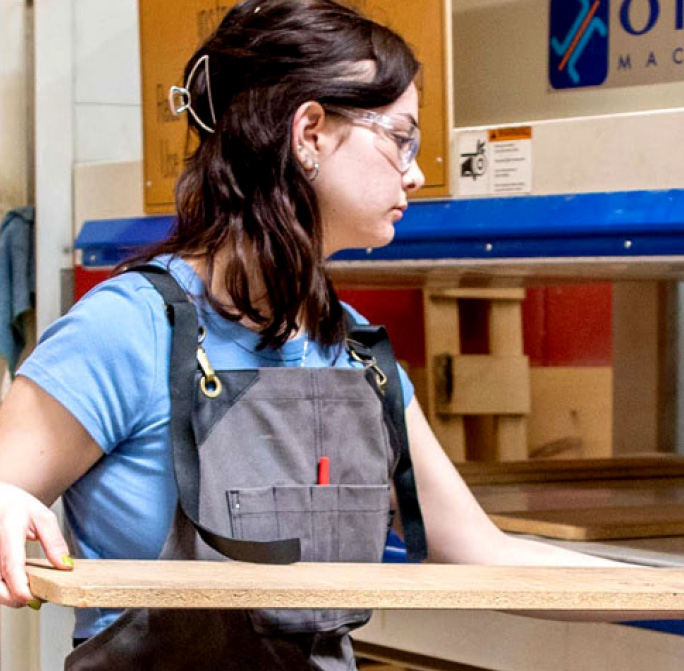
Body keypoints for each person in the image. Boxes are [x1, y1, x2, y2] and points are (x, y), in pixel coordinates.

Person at [0, 0, 621, 668]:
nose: (414, 171)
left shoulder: (356, 356)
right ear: (311, 132)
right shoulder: (129, 328)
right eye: (400, 137)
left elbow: (486, 553)